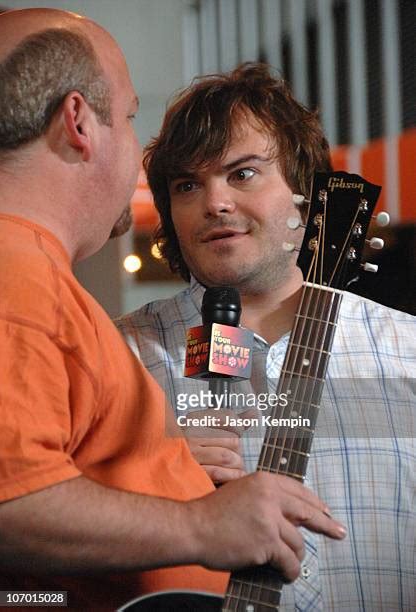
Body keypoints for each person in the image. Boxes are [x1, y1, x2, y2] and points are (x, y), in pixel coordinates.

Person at [0, 10, 348, 611]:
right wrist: (201, 525)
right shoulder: (18, 276)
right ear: (79, 121)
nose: (215, 203)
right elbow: (12, 503)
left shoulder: (41, 279)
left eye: (243, 173)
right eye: (132, 117)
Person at [117, 63, 416, 610]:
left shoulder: (407, 353)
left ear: (306, 195)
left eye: (243, 174)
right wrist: (140, 473)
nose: (215, 203)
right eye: (187, 184)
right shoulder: (119, 354)